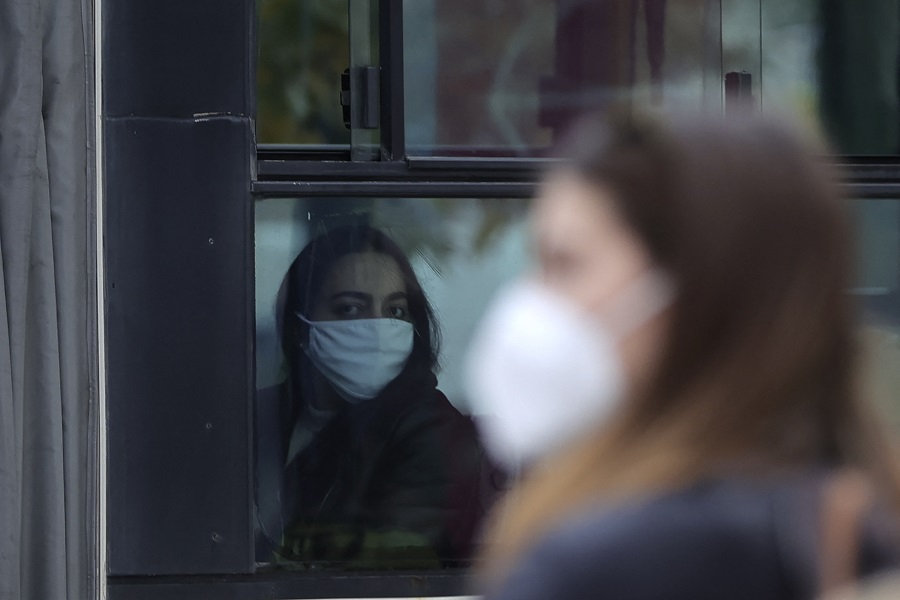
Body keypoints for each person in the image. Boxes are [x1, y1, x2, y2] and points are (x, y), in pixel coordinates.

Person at [465, 111, 900, 599]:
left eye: (566, 264)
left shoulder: (606, 564)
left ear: (698, 290)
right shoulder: (861, 518)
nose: (534, 301)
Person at [255, 224, 488, 568]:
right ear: (299, 325)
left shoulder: (436, 431)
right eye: (350, 309)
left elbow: (392, 560)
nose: (377, 332)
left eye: (395, 311)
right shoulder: (258, 414)